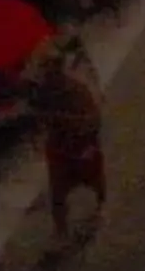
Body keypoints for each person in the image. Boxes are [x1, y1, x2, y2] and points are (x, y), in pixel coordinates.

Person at [31, 53, 107, 244]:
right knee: (57, 193)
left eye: (49, 71)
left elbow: (92, 120)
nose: (46, 76)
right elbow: (39, 120)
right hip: (59, 150)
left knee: (94, 181)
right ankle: (61, 230)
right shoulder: (42, 94)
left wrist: (61, 120)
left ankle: (98, 210)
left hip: (82, 148)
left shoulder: (77, 91)